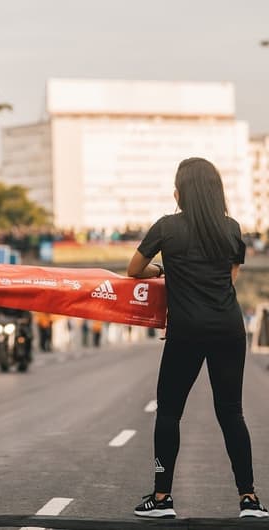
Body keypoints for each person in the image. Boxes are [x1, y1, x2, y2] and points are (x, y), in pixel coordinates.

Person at [128, 157, 267, 519]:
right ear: (215, 191)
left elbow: (133, 270)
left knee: (170, 412)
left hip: (186, 332)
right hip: (228, 329)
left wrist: (165, 269)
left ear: (179, 192)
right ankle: (249, 499)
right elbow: (230, 277)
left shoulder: (167, 227)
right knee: (231, 412)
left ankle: (161, 498)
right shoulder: (232, 228)